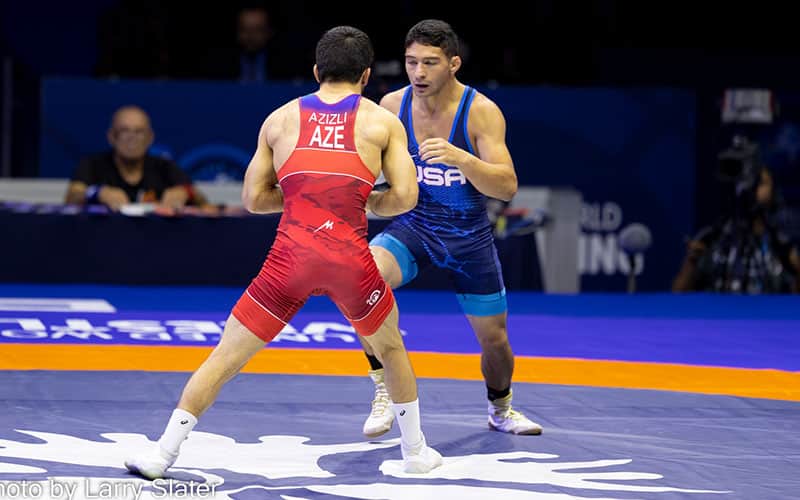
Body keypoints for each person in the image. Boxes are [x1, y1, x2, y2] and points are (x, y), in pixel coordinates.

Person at [124, 26, 442, 479]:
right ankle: (415, 454)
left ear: (316, 71)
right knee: (391, 349)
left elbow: (253, 199)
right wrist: (367, 201)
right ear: (367, 76)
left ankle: (163, 454)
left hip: (290, 258)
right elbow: (406, 198)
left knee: (225, 356)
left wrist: (300, 200)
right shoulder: (381, 122)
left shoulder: (279, 120)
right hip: (350, 259)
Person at [359, 19, 543, 438]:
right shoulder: (391, 106)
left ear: (453, 64)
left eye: (430, 63)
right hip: (414, 229)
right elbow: (372, 170)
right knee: (363, 279)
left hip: (468, 241)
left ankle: (501, 409)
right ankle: (383, 389)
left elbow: (508, 187)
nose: (419, 73)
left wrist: (463, 159)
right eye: (411, 62)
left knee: (495, 342)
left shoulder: (479, 111)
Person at [673, 165, 800, 293]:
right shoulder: (711, 238)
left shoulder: (781, 244)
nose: (752, 188)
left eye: (761, 183)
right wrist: (692, 261)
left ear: (773, 191)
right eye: (746, 182)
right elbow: (678, 293)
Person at [64, 105, 213, 213]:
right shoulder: (93, 164)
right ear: (111, 137)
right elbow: (72, 196)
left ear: (150, 138)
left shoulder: (164, 167)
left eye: (139, 132)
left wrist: (186, 193)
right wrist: (97, 193)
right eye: (124, 131)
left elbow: (203, 201)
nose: (132, 138)